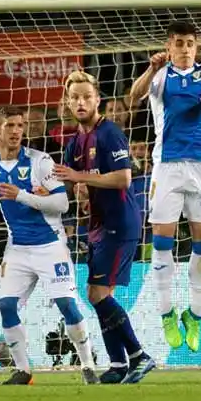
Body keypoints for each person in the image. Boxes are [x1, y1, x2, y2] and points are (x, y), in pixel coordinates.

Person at [0, 107, 97, 385]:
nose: (16, 131)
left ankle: (88, 365)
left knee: (67, 305)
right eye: (10, 125)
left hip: (50, 246)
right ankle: (23, 371)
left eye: (20, 125)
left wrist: (23, 196)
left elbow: (62, 204)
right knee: (6, 306)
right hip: (17, 249)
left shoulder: (40, 162)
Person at [128, 20, 201, 352]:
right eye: (179, 43)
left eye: (189, 43)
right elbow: (133, 99)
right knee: (162, 241)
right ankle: (166, 312)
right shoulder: (159, 75)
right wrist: (149, 68)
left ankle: (194, 316)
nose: (185, 49)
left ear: (196, 47)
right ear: (168, 47)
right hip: (166, 167)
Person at [54, 71, 154, 384]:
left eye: (87, 96)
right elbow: (68, 183)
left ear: (98, 100)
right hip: (97, 226)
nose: (81, 102)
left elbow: (123, 178)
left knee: (97, 293)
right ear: (68, 104)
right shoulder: (74, 143)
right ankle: (117, 365)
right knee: (100, 294)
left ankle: (139, 355)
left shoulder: (109, 133)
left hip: (120, 222)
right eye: (75, 98)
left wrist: (82, 178)